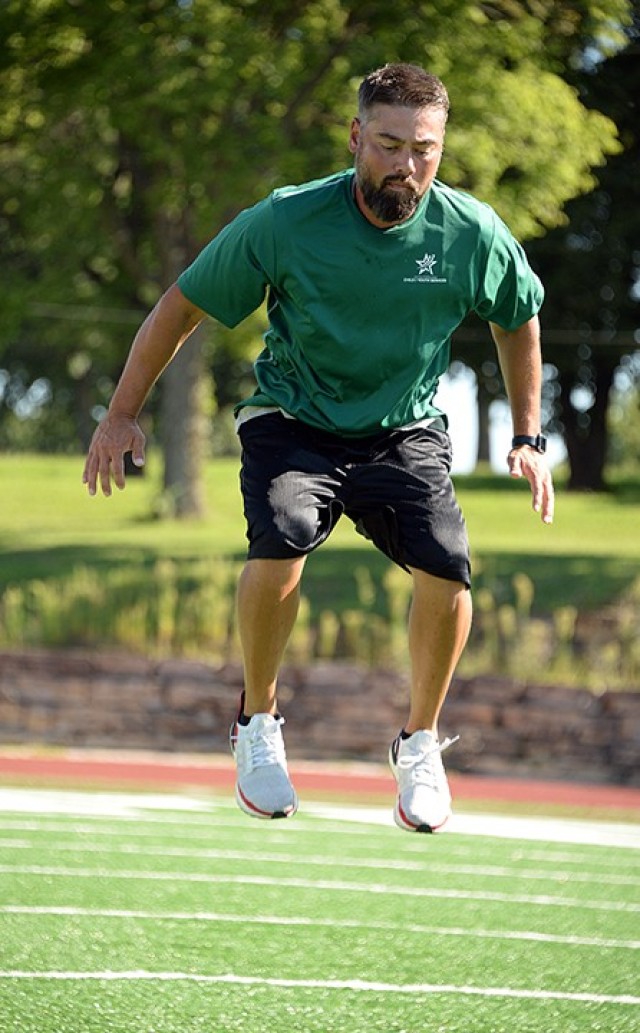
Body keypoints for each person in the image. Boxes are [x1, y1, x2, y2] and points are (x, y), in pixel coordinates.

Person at [83, 63, 554, 833]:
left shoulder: (471, 231)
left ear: (441, 150)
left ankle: (421, 741)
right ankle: (259, 724)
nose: (406, 164)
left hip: (402, 429)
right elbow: (181, 307)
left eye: (424, 150)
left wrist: (528, 435)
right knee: (284, 534)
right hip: (293, 417)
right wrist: (121, 413)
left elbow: (519, 315)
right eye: (390, 143)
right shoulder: (286, 219)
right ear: (356, 136)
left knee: (448, 564)